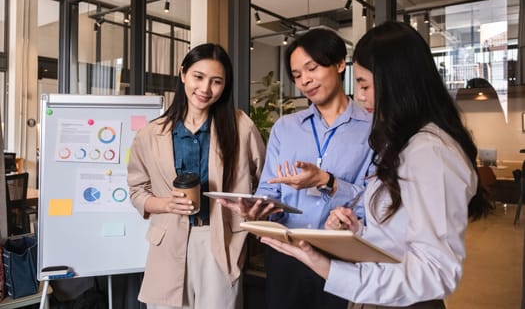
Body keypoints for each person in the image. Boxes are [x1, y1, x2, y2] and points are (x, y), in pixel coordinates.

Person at [260, 21, 494, 309]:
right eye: (297, 74)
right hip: (373, 287)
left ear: (396, 82)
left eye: (365, 84)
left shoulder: (430, 152)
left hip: (395, 297)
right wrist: (358, 231)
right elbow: (399, 232)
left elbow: (436, 272)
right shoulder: (408, 145)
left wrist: (329, 267)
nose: (361, 95)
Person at [219, 28, 373, 309]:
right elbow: (268, 188)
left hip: (342, 258)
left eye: (311, 68)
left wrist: (328, 181)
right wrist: (258, 210)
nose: (305, 81)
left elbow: (375, 200)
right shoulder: (285, 128)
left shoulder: (373, 129)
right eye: (297, 75)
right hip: (285, 254)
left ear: (340, 64)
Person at [127, 43, 266, 309]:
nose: (205, 89)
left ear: (225, 85)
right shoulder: (150, 133)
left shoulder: (240, 126)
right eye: (198, 77)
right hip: (167, 243)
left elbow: (266, 182)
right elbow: (137, 191)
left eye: (216, 81)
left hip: (221, 239)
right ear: (183, 74)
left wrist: (252, 213)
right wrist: (166, 203)